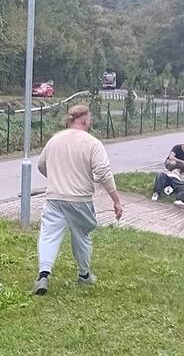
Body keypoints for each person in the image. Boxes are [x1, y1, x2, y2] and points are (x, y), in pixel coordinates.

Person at [33, 104, 123, 296]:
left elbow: (41, 165)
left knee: (49, 234)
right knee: (81, 235)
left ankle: (43, 274)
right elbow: (104, 173)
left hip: (54, 197)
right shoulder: (92, 143)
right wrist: (116, 200)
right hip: (80, 199)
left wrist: (57, 178)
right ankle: (84, 274)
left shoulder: (55, 140)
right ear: (85, 119)